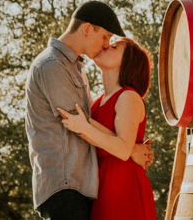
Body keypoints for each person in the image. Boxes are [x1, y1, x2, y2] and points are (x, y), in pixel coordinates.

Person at [26, 1, 155, 220]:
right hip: (65, 184)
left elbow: (85, 121)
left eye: (111, 44)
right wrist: (130, 149)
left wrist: (128, 147)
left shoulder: (77, 69)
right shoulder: (53, 65)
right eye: (106, 37)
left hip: (90, 184)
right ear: (87, 29)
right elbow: (76, 121)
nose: (106, 44)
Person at [59, 36, 158, 220]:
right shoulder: (98, 102)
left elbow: (121, 149)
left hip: (123, 184)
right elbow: (112, 138)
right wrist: (134, 149)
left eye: (113, 47)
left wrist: (85, 128)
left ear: (127, 62)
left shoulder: (128, 96)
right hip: (102, 183)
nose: (105, 46)